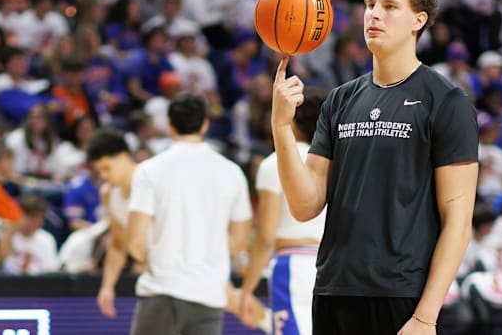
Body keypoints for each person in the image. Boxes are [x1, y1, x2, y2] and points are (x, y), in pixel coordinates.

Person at [271, 0, 480, 334]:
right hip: (334, 290)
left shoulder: (446, 102)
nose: (374, 15)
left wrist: (425, 316)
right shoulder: (339, 100)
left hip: (402, 295)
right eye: (370, 4)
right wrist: (282, 126)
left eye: (389, 6)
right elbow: (305, 205)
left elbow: (458, 222)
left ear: (418, 20)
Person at [125, 93, 252, 335]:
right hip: (208, 296)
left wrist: (154, 255)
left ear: (169, 125)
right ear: (205, 124)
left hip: (162, 291)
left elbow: (135, 244)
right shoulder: (232, 172)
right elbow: (239, 242)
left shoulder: (149, 171)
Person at [237, 87, 328, 334]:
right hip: (333, 265)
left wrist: (246, 291)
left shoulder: (275, 162)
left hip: (295, 262)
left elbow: (265, 237)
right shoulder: (335, 159)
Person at [86, 128, 138, 318]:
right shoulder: (109, 194)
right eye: (99, 171)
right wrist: (107, 286)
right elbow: (118, 243)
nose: (104, 176)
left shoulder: (152, 183)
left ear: (124, 157)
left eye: (107, 168)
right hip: (154, 278)